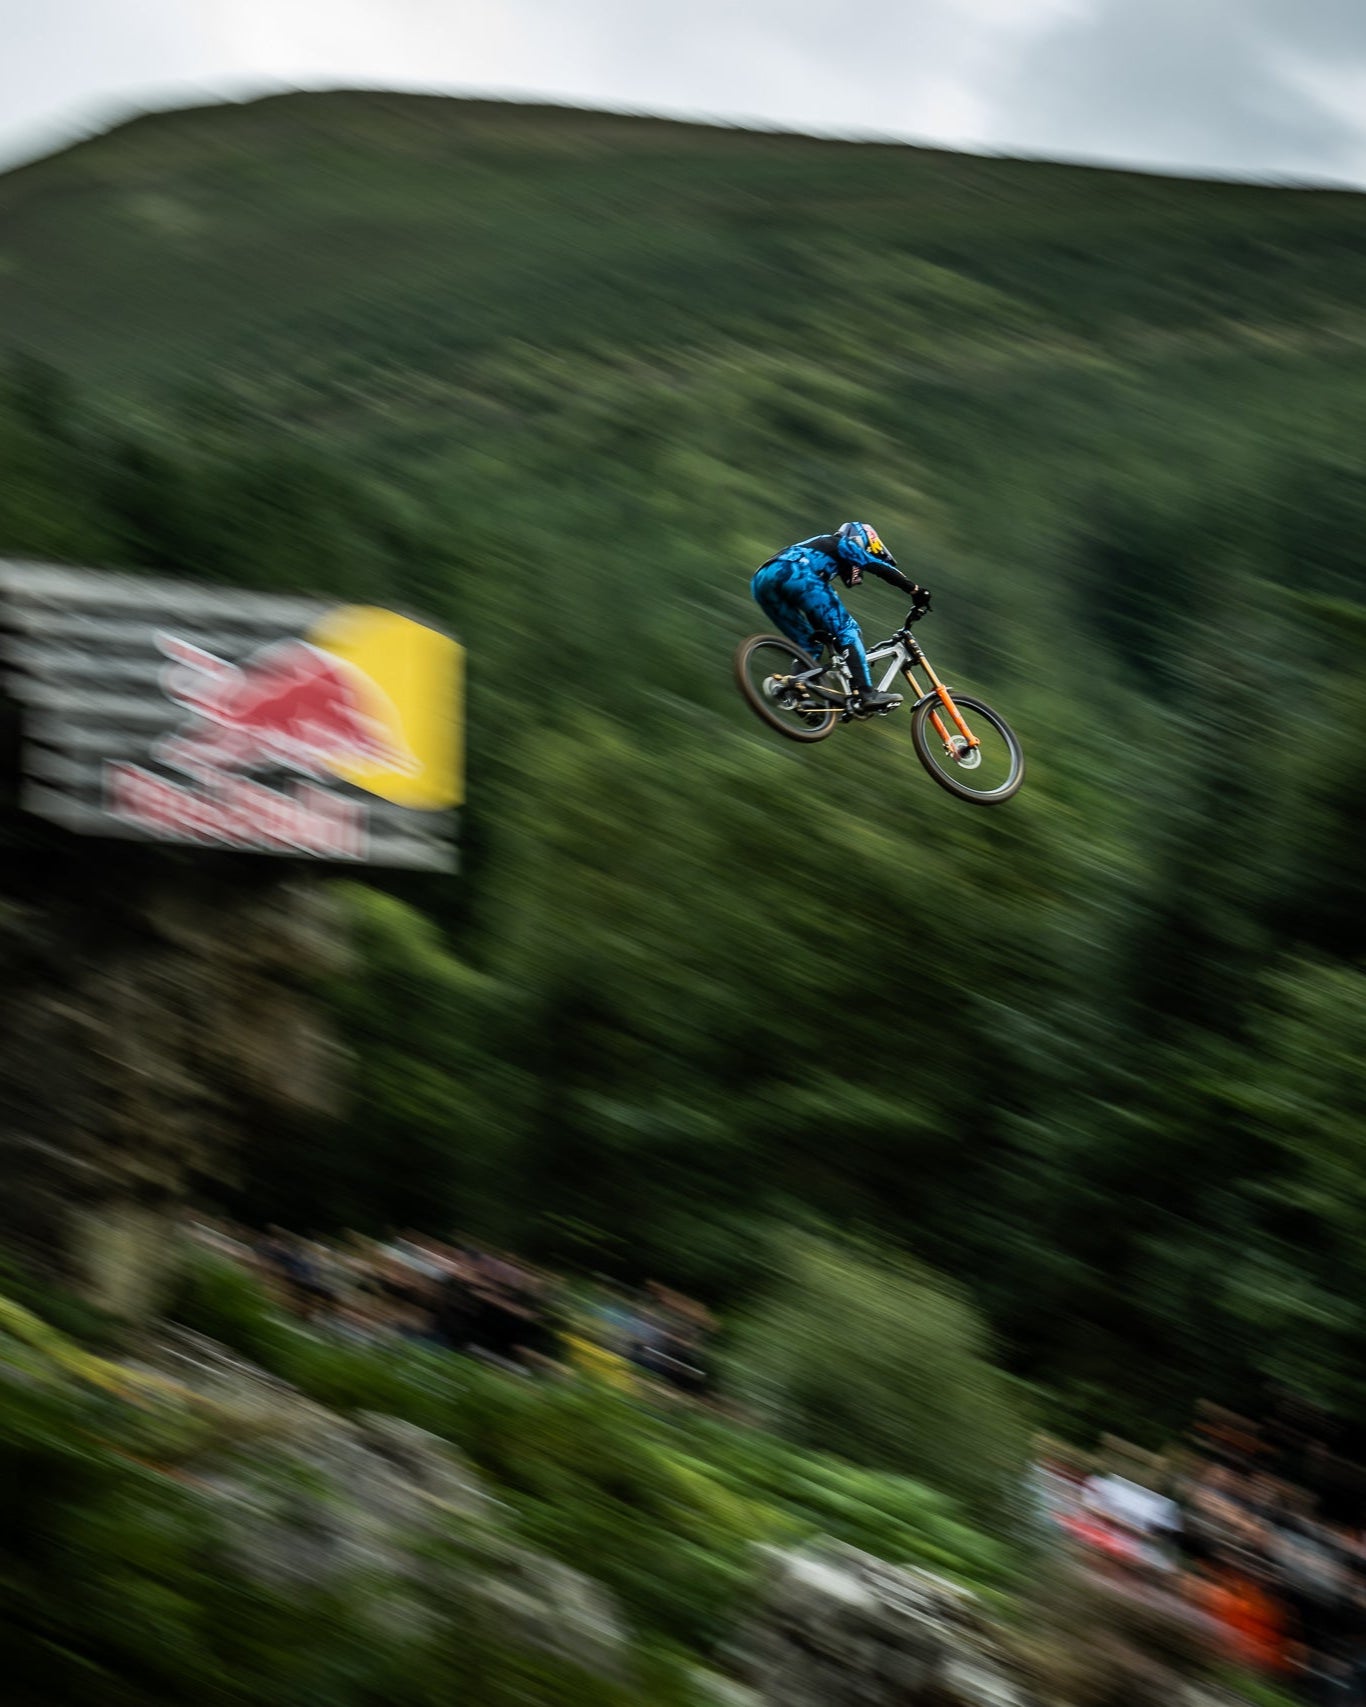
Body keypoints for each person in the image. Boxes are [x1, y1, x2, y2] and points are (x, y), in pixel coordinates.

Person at [751, 521, 929, 713]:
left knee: (809, 644)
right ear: (862, 541)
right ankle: (865, 693)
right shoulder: (843, 543)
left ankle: (794, 692)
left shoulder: (820, 548)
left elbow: (815, 607)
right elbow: (878, 567)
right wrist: (915, 590)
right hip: (796, 573)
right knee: (847, 629)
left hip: (762, 580)